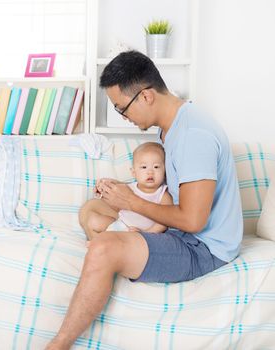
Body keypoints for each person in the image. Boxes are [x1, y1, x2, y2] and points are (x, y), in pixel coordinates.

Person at [46, 50, 243, 349]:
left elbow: (193, 220)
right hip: (181, 232)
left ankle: (58, 344)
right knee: (92, 208)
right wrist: (121, 194)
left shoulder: (193, 136)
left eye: (122, 109)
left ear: (146, 96)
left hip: (203, 248)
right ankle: (119, 243)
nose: (124, 118)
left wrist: (130, 202)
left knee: (102, 250)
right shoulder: (173, 127)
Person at [91, 142, 173, 234]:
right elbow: (116, 205)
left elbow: (163, 223)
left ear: (165, 171)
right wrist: (102, 191)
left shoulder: (163, 195)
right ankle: (101, 240)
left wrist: (146, 234)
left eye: (156, 167)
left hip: (144, 234)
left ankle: (102, 242)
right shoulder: (129, 188)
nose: (150, 172)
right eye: (144, 167)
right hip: (122, 225)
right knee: (96, 223)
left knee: (113, 241)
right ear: (134, 172)